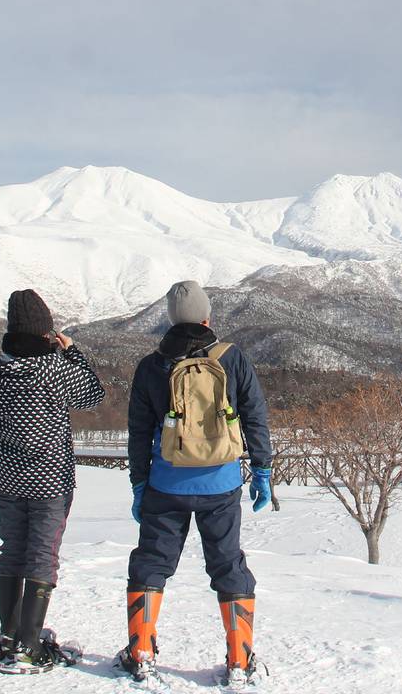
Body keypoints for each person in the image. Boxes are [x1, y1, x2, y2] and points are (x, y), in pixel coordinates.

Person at [116, 281, 273, 686]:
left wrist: (139, 483)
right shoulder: (232, 358)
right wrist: (262, 471)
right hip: (220, 485)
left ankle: (141, 651)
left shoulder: (152, 366)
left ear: (170, 320)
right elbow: (254, 416)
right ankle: (240, 658)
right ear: (207, 317)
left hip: (165, 485)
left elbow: (138, 431)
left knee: (151, 563)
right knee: (228, 564)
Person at [0, 289, 106, 674]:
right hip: (51, 479)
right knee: (41, 555)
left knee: (12, 550)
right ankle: (29, 645)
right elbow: (93, 394)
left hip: (10, 477)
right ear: (45, 330)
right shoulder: (53, 367)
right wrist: (71, 351)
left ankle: (10, 634)